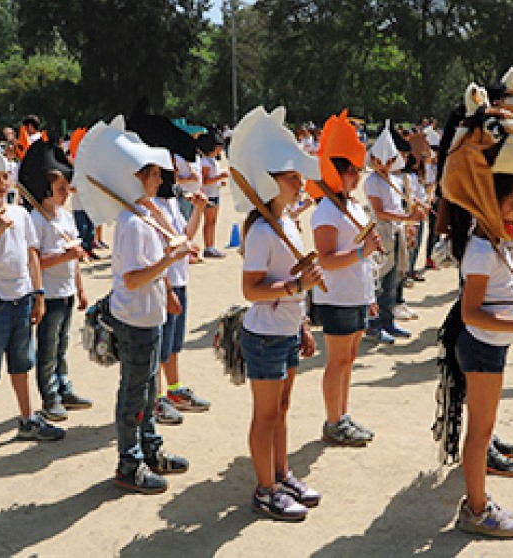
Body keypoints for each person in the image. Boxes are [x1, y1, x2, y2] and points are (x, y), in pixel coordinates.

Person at [74, 118, 197, 494]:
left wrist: (167, 285)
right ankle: (130, 462)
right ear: (138, 178)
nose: (160, 181)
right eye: (154, 175)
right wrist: (168, 259)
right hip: (136, 318)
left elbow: (153, 268)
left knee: (147, 389)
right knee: (134, 392)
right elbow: (132, 278)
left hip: (151, 314)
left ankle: (149, 449)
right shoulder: (130, 223)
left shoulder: (144, 215)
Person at [229, 106, 324, 521]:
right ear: (270, 183)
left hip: (285, 329)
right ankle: (264, 489)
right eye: (291, 177)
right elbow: (250, 289)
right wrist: (295, 287)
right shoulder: (263, 230)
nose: (299, 182)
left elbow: (291, 276)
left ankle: (282, 474)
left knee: (282, 409)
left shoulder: (286, 222)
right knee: (265, 413)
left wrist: (301, 320)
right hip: (264, 333)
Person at [446, 173, 513, 537]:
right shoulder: (479, 248)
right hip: (482, 346)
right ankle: (475, 509)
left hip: (490, 344)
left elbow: (497, 279)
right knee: (479, 433)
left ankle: (477, 502)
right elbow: (470, 312)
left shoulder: (491, 240)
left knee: (483, 429)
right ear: (490, 205)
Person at [0, 122, 65, 460]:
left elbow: (31, 254)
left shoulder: (20, 212)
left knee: (22, 363)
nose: (2, 184)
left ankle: (27, 418)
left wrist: (38, 294)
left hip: (21, 300)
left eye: (5, 177)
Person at [306, 111, 381, 447]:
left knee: (349, 358)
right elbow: (324, 259)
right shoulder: (325, 210)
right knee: (337, 361)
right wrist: (363, 253)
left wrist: (370, 293)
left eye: (357, 169)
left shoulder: (350, 205)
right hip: (336, 295)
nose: (357, 175)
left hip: (356, 291)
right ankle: (333, 420)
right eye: (351, 169)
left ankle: (342, 414)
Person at [20, 140, 94, 421]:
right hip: (48, 294)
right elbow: (34, 262)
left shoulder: (64, 217)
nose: (66, 192)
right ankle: (49, 396)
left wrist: (80, 288)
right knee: (48, 348)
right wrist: (65, 256)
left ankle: (64, 387)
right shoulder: (36, 220)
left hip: (66, 291)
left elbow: (73, 256)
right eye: (61, 188)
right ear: (47, 190)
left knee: (62, 345)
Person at [150, 166, 212, 424]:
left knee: (174, 343)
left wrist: (198, 210)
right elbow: (159, 249)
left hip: (179, 279)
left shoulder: (171, 202)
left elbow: (184, 236)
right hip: (164, 282)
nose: (176, 177)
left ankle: (174, 390)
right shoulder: (151, 207)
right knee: (159, 345)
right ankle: (156, 398)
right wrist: (166, 287)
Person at [364, 122, 427, 342]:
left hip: (396, 232)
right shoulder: (372, 181)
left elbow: (401, 206)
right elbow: (380, 212)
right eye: (381, 160)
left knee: (393, 281)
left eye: (389, 160)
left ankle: (388, 321)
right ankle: (373, 325)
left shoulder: (396, 179)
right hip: (382, 232)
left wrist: (413, 215)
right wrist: (408, 218)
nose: (385, 164)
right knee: (379, 281)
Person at [197, 132, 228, 258]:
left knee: (213, 221)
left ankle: (211, 245)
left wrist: (219, 181)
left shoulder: (212, 161)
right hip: (209, 194)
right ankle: (208, 246)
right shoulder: (205, 162)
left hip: (214, 193)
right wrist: (219, 177)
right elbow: (203, 181)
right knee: (209, 221)